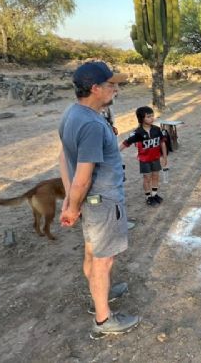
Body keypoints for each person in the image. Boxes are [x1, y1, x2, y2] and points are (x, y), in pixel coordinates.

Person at [58, 60, 139, 339]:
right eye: (111, 85)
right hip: (102, 202)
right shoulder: (91, 124)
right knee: (103, 260)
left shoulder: (72, 113)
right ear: (95, 88)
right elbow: (83, 176)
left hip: (91, 202)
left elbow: (63, 157)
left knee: (92, 253)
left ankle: (100, 294)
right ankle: (103, 319)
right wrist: (72, 206)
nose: (116, 89)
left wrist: (70, 199)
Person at [119, 106, 168, 206]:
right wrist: (114, 153)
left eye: (152, 116)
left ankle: (154, 194)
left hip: (155, 158)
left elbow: (162, 143)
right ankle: (148, 197)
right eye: (148, 116)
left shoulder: (157, 130)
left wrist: (164, 157)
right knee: (147, 178)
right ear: (141, 118)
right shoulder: (137, 133)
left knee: (156, 176)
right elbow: (125, 143)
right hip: (145, 160)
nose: (152, 118)